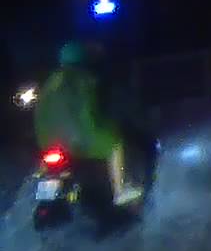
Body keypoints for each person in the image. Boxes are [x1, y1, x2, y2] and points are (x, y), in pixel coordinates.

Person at [33, 41, 143, 206]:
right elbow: (88, 112)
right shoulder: (84, 79)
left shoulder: (50, 82)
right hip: (75, 138)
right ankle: (120, 191)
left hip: (47, 140)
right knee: (115, 145)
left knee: (46, 166)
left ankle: (43, 191)